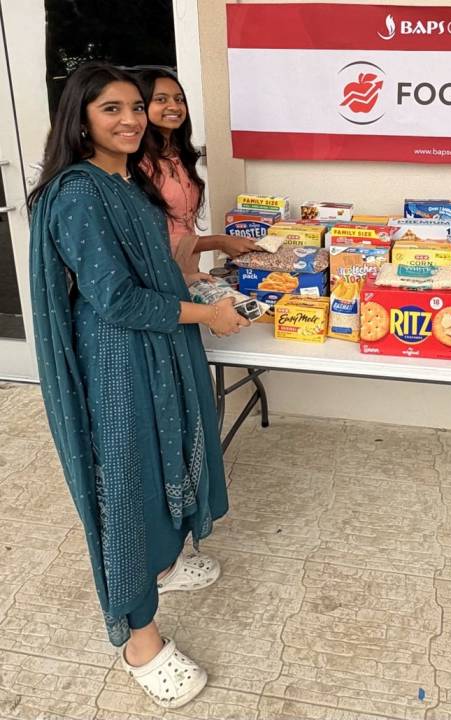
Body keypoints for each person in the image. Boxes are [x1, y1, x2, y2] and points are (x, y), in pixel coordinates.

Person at [28, 62, 249, 708]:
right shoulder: (78, 193)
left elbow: (156, 267)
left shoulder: (127, 181)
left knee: (167, 458)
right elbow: (118, 299)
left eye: (135, 107)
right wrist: (206, 316)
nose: (129, 120)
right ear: (80, 120)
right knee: (128, 485)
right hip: (117, 360)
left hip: (155, 347)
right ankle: (140, 643)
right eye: (111, 109)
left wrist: (201, 283)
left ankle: (166, 563)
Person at [133, 67, 256, 273]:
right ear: (140, 106)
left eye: (179, 99)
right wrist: (219, 241)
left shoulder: (179, 155)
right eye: (161, 99)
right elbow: (150, 239)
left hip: (187, 271)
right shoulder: (137, 164)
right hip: (156, 277)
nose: (174, 106)